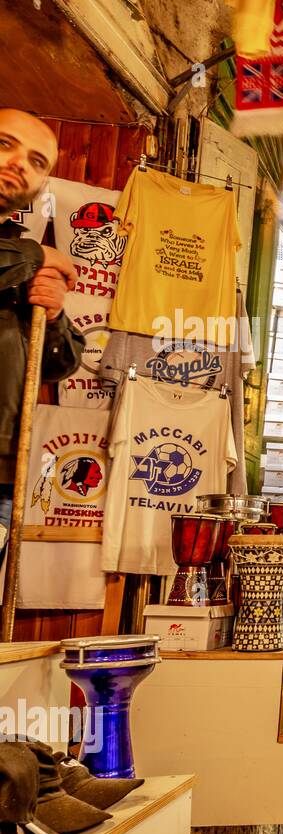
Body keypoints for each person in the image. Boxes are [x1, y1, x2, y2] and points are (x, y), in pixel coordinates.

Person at [0, 109, 82, 542]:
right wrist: (38, 255)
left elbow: (59, 365)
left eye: (37, 162)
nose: (18, 164)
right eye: (4, 144)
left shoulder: (17, 251)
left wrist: (52, 316)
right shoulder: (24, 255)